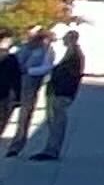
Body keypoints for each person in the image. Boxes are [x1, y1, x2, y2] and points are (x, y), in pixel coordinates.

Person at [29, 31, 82, 162]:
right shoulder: (71, 54)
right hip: (58, 90)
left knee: (57, 121)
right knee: (54, 121)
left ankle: (52, 150)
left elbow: (70, 75)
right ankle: (50, 148)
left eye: (66, 38)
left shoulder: (74, 55)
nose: (63, 40)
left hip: (62, 92)